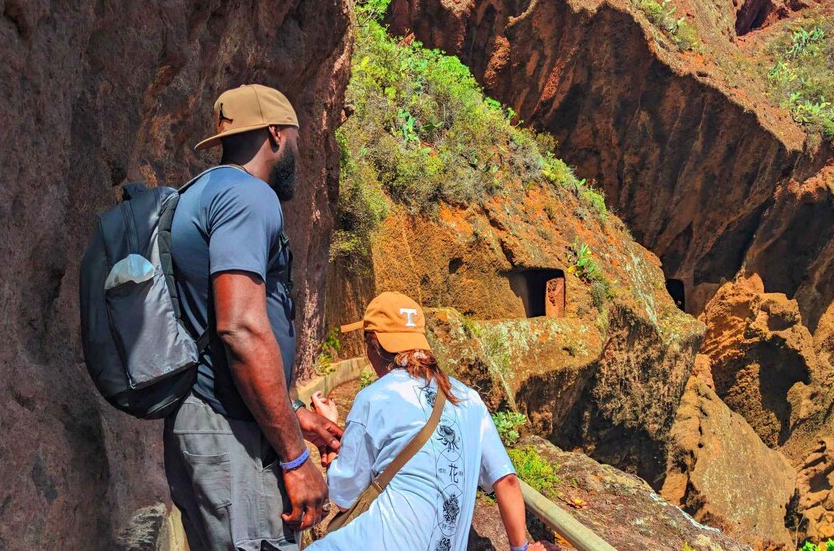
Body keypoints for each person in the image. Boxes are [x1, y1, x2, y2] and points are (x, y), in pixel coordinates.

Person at [164, 84, 343, 550]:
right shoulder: (249, 197)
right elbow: (239, 327)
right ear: (276, 134)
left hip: (205, 418)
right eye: (297, 142)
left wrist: (292, 413)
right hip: (229, 432)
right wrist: (294, 458)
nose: (298, 156)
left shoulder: (200, 192)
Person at [307, 292, 559, 551]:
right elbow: (505, 480)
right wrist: (522, 548)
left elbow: (346, 498)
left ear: (373, 344)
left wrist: (329, 433)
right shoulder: (468, 399)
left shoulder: (374, 397)